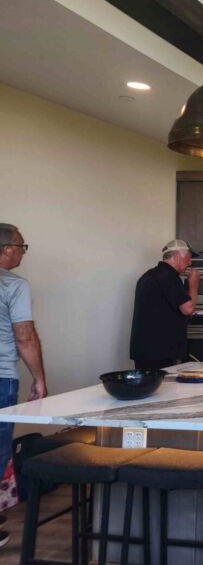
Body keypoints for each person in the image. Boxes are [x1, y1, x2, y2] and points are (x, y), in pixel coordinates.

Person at [0, 223, 48, 547]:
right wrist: (39, 377)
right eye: (21, 245)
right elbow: (25, 335)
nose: (23, 251)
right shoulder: (14, 285)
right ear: (6, 249)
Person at [129, 239, 199, 370]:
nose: (190, 263)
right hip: (161, 351)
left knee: (149, 388)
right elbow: (188, 309)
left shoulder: (151, 275)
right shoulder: (168, 275)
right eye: (189, 258)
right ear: (177, 256)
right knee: (164, 389)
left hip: (146, 350)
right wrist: (194, 284)